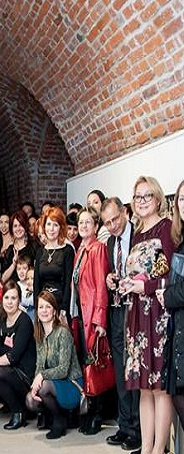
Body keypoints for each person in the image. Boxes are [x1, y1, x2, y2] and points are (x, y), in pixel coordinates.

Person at [122, 176, 174, 454]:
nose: (141, 201)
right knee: (143, 386)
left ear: (157, 198)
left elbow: (173, 276)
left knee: (160, 387)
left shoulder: (167, 228)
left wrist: (147, 287)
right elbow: (139, 273)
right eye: (137, 196)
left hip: (158, 314)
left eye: (147, 196)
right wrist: (125, 283)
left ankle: (159, 449)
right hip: (137, 316)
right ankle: (146, 449)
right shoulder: (138, 233)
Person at [101, 197, 141, 451]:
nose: (113, 225)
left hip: (136, 310)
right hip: (117, 310)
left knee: (134, 371)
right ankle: (124, 425)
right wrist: (109, 279)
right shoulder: (110, 242)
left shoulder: (139, 236)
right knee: (119, 371)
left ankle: (138, 429)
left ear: (125, 212)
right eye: (107, 222)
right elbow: (111, 272)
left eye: (115, 219)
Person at [70, 206, 110, 435]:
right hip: (80, 316)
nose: (83, 226)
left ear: (95, 226)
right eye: (80, 222)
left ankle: (97, 415)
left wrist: (100, 320)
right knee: (87, 365)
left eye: (88, 222)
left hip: (92, 317)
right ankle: (89, 411)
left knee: (95, 366)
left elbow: (101, 286)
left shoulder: (98, 248)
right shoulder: (80, 250)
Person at [26, 291, 84, 440]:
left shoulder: (62, 333)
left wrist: (41, 376)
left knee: (44, 386)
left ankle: (60, 420)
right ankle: (52, 415)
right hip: (54, 383)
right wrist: (35, 385)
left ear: (54, 311)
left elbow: (63, 370)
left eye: (48, 307)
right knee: (30, 400)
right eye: (41, 307)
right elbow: (39, 365)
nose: (44, 311)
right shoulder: (40, 335)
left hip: (71, 384)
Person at [0, 280, 36, 430]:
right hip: (10, 372)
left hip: (25, 376)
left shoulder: (24, 321)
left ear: (19, 300)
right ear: (2, 299)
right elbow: (0, 351)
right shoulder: (3, 321)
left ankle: (19, 412)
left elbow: (13, 356)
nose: (9, 302)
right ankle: (13, 403)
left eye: (13, 298)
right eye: (6, 297)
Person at [162, 180, 184, 426]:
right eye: (181, 199)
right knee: (177, 393)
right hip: (178, 326)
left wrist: (166, 295)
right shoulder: (180, 238)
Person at [33, 206, 75, 322]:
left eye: (55, 225)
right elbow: (36, 283)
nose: (51, 229)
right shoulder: (40, 252)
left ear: (61, 227)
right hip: (44, 306)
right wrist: (37, 307)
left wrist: (64, 309)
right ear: (44, 226)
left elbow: (68, 283)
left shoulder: (67, 251)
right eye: (49, 224)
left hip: (60, 306)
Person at [1, 210, 37, 283]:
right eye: (15, 226)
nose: (18, 229)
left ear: (25, 226)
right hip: (13, 288)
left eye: (20, 225)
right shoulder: (10, 250)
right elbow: (3, 279)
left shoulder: (33, 246)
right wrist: (14, 264)